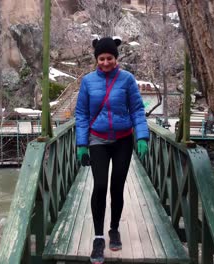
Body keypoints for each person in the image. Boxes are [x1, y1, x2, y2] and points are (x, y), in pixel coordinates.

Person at [75, 37, 149, 264]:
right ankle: (98, 238)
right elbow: (82, 114)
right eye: (101, 58)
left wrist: (142, 136)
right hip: (97, 139)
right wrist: (81, 144)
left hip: (123, 140)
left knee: (117, 186)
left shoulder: (127, 80)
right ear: (96, 59)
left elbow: (137, 110)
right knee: (99, 186)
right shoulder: (87, 82)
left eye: (109, 58)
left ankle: (114, 229)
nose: (105, 62)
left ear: (116, 58)